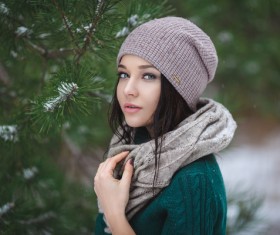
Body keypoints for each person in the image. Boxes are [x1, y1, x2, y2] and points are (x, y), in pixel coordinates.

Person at [94, 16, 237, 235]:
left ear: (179, 89)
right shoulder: (132, 152)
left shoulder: (194, 181)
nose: (128, 89)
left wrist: (115, 215)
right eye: (124, 74)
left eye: (148, 76)